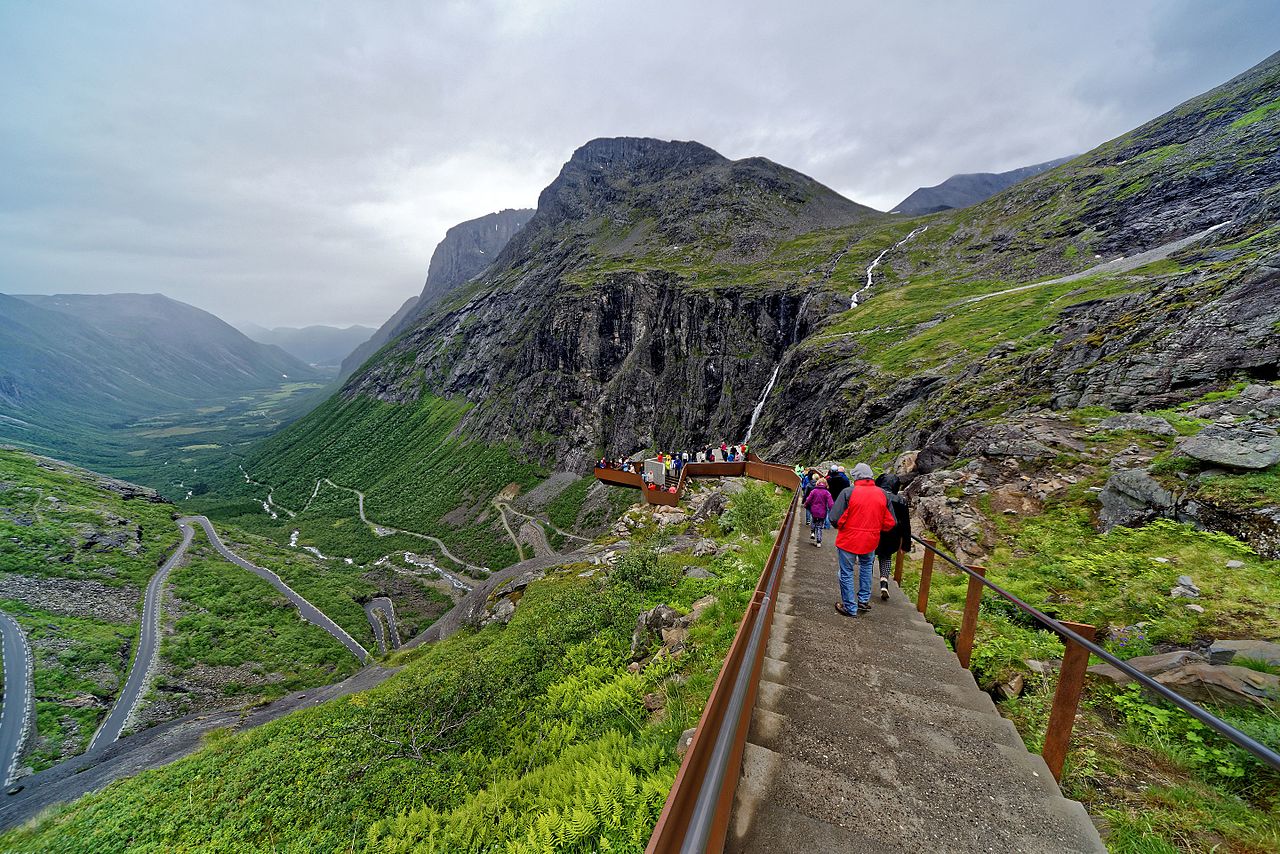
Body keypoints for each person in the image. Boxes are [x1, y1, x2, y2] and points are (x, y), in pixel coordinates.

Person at [828, 463, 896, 618]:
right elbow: (890, 522)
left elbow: (834, 518)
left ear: (856, 476)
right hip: (871, 540)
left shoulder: (848, 492)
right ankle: (863, 601)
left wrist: (843, 526)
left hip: (848, 540)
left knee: (846, 572)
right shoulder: (882, 494)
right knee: (866, 568)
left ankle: (849, 607)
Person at [874, 473, 912, 601]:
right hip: (893, 535)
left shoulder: (876, 496)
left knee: (869, 557)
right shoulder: (901, 500)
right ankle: (884, 581)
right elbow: (906, 524)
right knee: (886, 557)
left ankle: (866, 584)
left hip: (876, 531)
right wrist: (906, 544)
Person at [804, 477, 834, 547]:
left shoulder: (814, 491)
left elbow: (808, 499)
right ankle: (819, 542)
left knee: (813, 521)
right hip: (822, 512)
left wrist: (806, 504)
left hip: (814, 510)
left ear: (817, 483)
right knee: (820, 526)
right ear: (826, 484)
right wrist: (832, 510)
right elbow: (831, 503)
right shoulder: (827, 493)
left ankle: (812, 532)